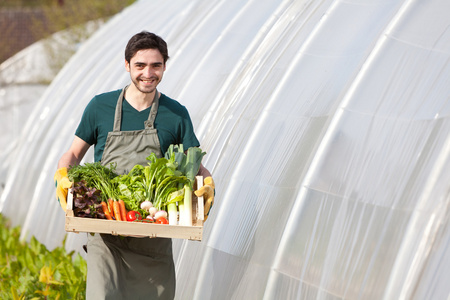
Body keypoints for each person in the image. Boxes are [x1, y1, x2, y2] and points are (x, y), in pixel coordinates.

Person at [53, 31, 214, 299]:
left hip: (154, 232)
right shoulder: (99, 107)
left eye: (156, 65)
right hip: (106, 232)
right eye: (140, 65)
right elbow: (73, 154)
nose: (148, 73)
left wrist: (207, 185)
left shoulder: (176, 114)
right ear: (127, 65)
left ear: (164, 66)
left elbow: (194, 164)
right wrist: (63, 176)